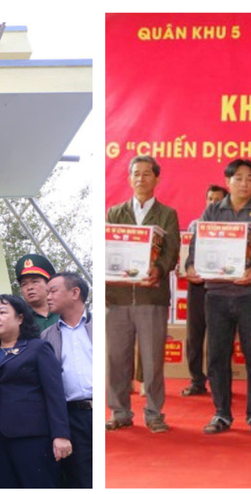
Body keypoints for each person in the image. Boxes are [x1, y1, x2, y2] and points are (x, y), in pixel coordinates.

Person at [194, 159, 251, 434]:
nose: (244, 184)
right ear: (228, 182)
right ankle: (222, 413)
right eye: (238, 178)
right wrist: (195, 266)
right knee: (217, 357)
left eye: (250, 179)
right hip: (216, 295)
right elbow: (198, 246)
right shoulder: (212, 211)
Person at [107, 155, 179, 433]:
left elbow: (171, 250)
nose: (140, 179)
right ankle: (120, 411)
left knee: (152, 359)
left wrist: (159, 269)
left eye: (146, 174)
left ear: (157, 179)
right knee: (116, 358)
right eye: (135, 174)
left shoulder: (167, 214)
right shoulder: (115, 212)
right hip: (118, 297)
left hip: (151, 296)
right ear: (129, 178)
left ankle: (153, 413)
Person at [0, 295, 69, 488]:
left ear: (20, 318)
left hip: (32, 436)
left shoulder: (38, 348)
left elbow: (54, 393)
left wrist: (61, 434)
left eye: (2, 312)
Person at [38, 274, 93, 487]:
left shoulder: (101, 325)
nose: (48, 296)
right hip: (72, 416)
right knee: (82, 479)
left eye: (53, 291)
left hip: (103, 412)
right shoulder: (46, 337)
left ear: (75, 293)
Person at [181, 184, 228, 398]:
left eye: (218, 199)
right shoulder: (194, 225)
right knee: (195, 335)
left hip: (223, 286)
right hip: (198, 285)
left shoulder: (234, 228)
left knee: (220, 336)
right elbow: (185, 256)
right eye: (210, 199)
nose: (213, 203)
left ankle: (219, 381)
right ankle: (197, 380)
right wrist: (186, 268)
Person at [14, 255, 61, 331]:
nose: (29, 287)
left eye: (35, 282)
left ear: (48, 284)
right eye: (24, 284)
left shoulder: (63, 311)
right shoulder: (20, 319)